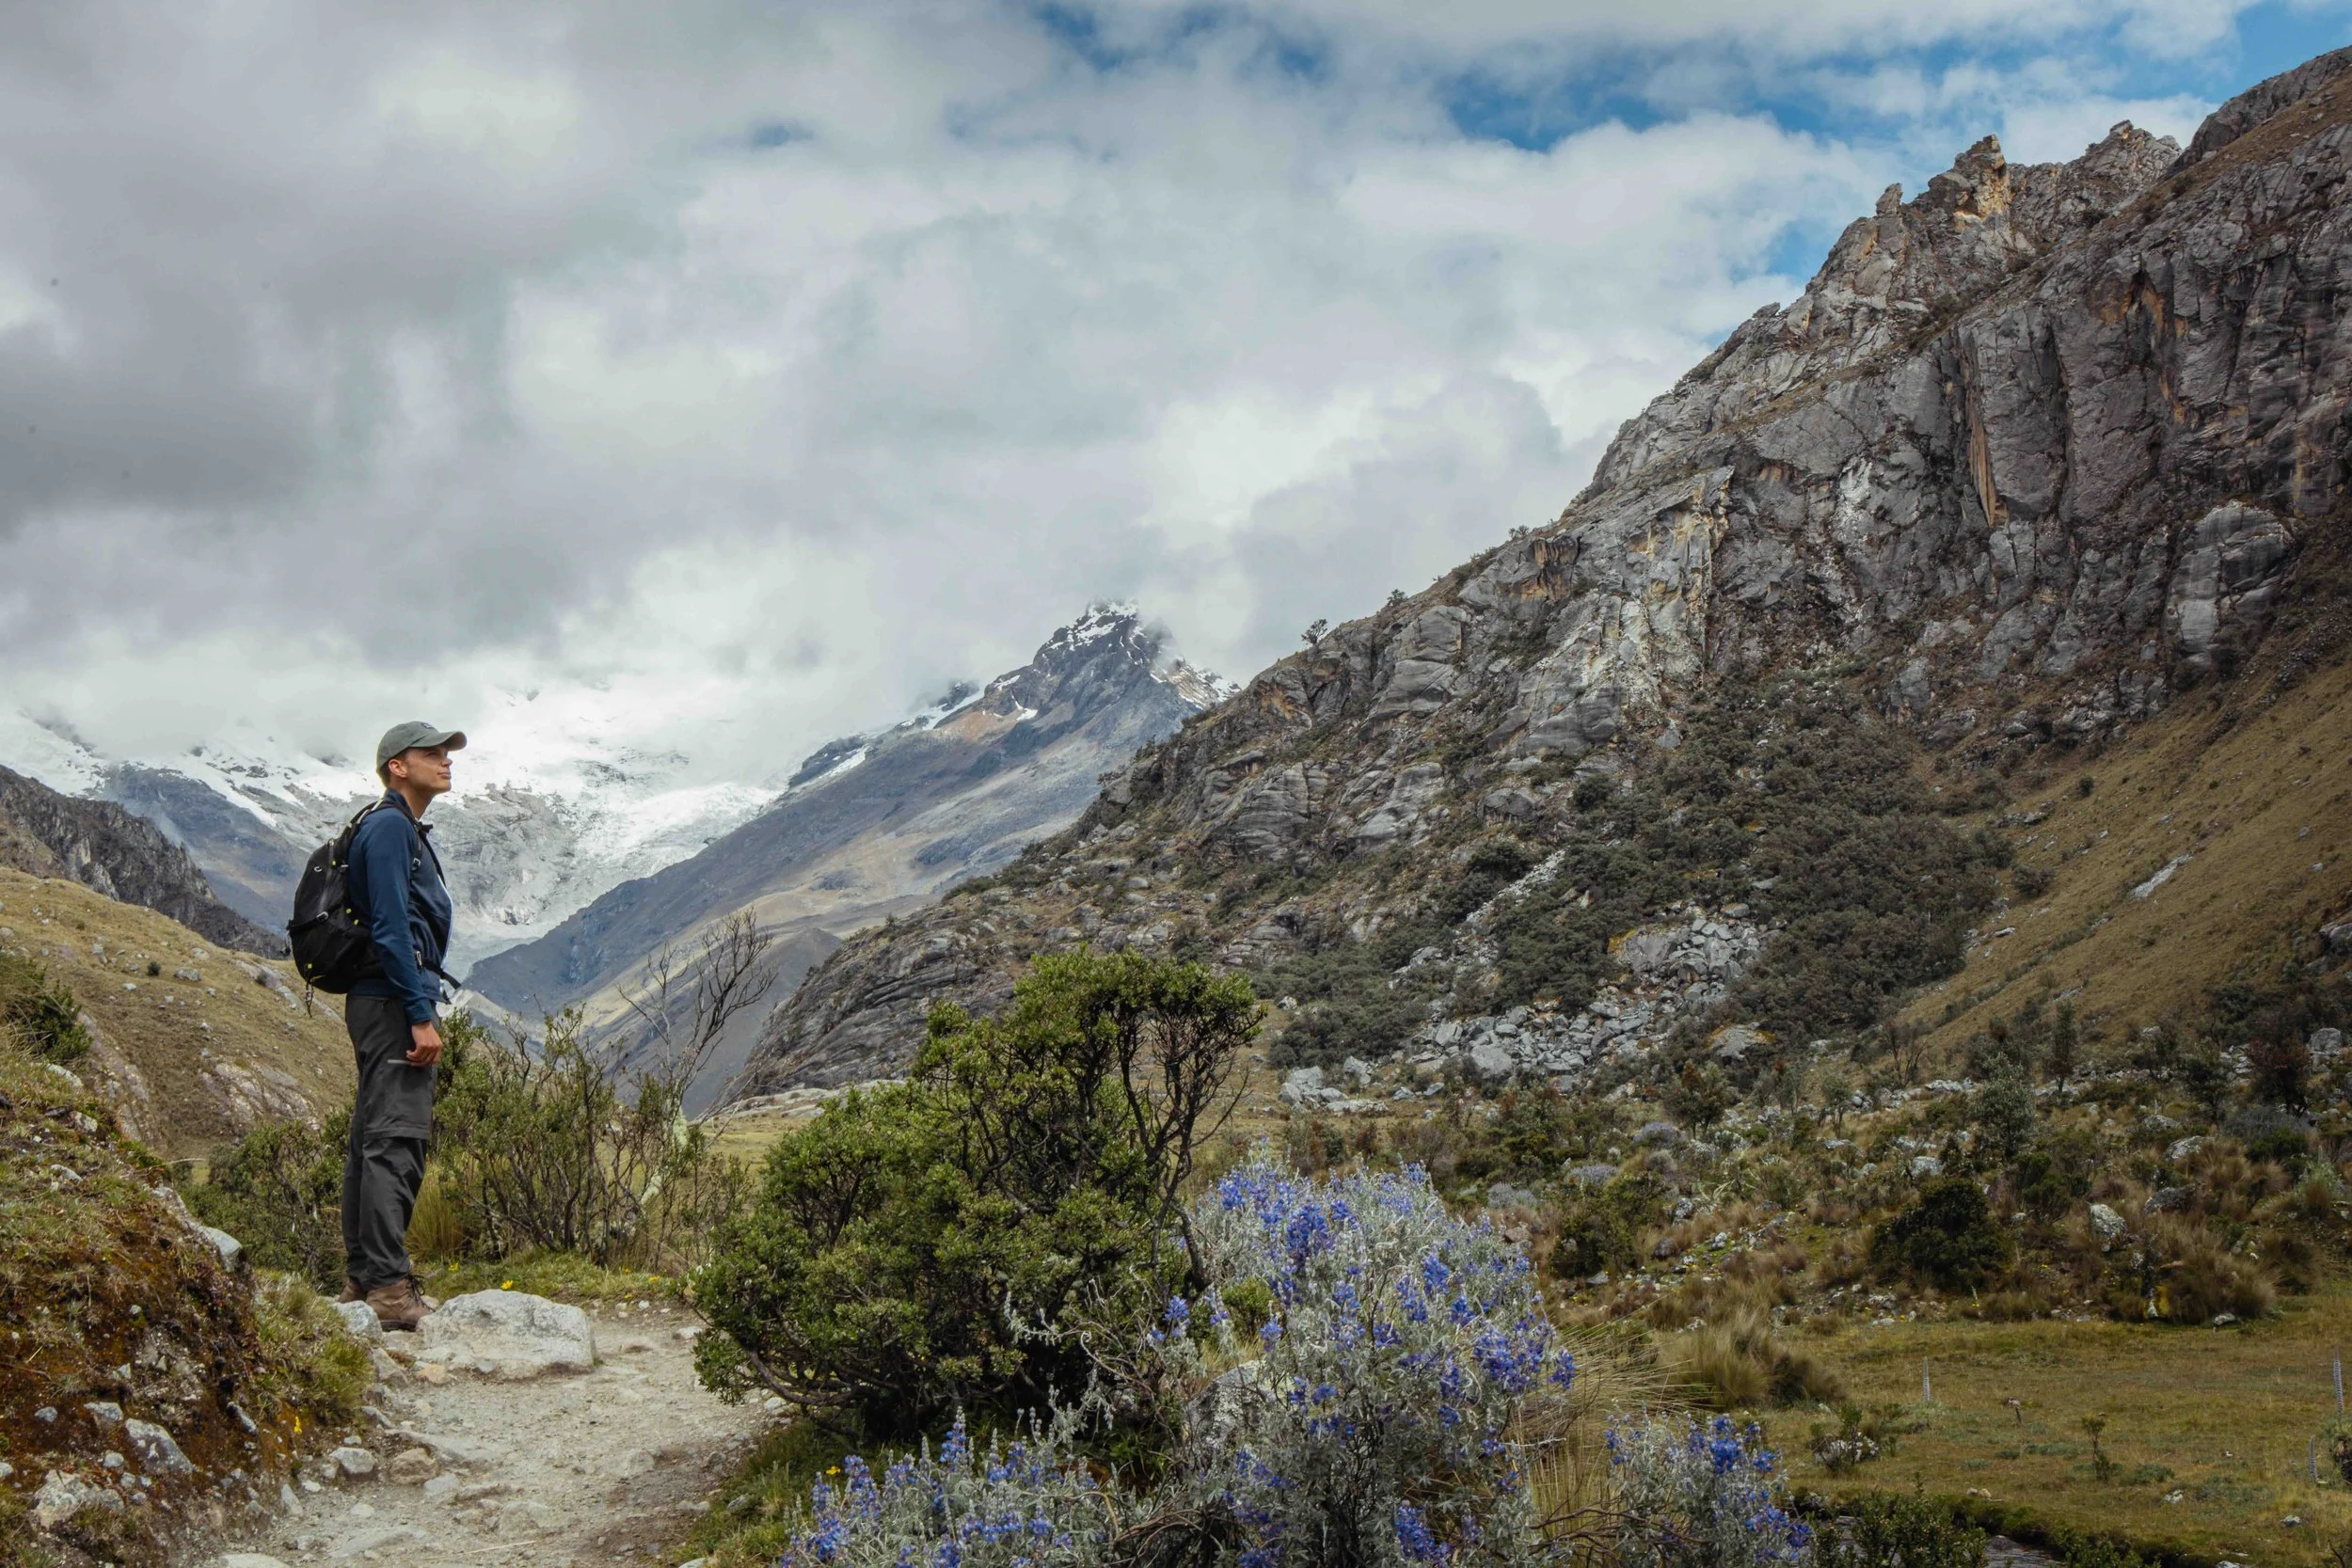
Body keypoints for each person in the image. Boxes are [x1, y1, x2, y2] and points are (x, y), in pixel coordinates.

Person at [341, 721, 465, 1329]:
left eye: (447, 752)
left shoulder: (396, 826)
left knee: (372, 1138)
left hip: (380, 998)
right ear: (397, 765)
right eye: (432, 752)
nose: (446, 760)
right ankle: (389, 1289)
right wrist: (420, 1014)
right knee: (396, 1139)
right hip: (395, 999)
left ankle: (365, 1277)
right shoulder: (391, 827)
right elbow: (391, 928)